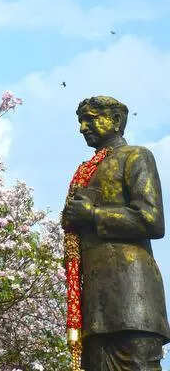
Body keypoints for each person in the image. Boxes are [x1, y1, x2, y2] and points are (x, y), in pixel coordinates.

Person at [63, 96, 170, 370]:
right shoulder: (86, 170)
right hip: (95, 308)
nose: (83, 127)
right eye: (80, 121)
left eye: (91, 118)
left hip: (132, 299)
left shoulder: (136, 156)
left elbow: (152, 219)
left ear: (117, 121)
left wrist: (93, 214)